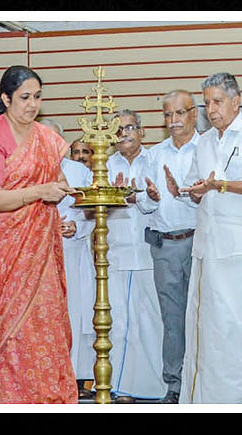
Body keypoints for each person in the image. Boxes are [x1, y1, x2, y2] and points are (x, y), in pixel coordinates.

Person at [172, 72, 242, 404]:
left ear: (235, 100)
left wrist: (221, 185)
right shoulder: (203, 141)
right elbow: (197, 188)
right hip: (208, 247)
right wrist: (186, 191)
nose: (211, 109)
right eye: (206, 103)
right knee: (211, 329)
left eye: (217, 101)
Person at [0, 65, 79, 403]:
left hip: (42, 250)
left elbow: (59, 182)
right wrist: (39, 192)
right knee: (15, 332)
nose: (32, 105)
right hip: (7, 249)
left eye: (37, 97)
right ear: (5, 98)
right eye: (24, 98)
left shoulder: (45, 138)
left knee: (47, 327)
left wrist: (64, 190)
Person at [135, 89, 200, 404]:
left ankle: (202, 383)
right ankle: (174, 387)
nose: (173, 121)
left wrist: (187, 192)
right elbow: (143, 204)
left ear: (194, 113)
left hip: (201, 243)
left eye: (179, 113)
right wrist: (151, 196)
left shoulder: (208, 148)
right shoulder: (154, 154)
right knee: (172, 321)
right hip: (165, 247)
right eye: (167, 115)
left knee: (204, 316)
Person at [104, 109, 166, 403]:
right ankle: (122, 387)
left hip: (148, 252)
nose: (124, 134)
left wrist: (143, 197)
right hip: (115, 253)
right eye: (118, 129)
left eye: (130, 128)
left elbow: (156, 202)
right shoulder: (105, 164)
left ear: (141, 132)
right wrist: (115, 198)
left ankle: (155, 386)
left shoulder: (153, 159)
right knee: (119, 323)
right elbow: (98, 209)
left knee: (151, 322)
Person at [58, 155, 96, 399]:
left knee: (76, 312)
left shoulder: (78, 170)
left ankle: (75, 376)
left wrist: (76, 226)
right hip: (38, 251)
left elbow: (92, 210)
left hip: (73, 249)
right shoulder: (27, 164)